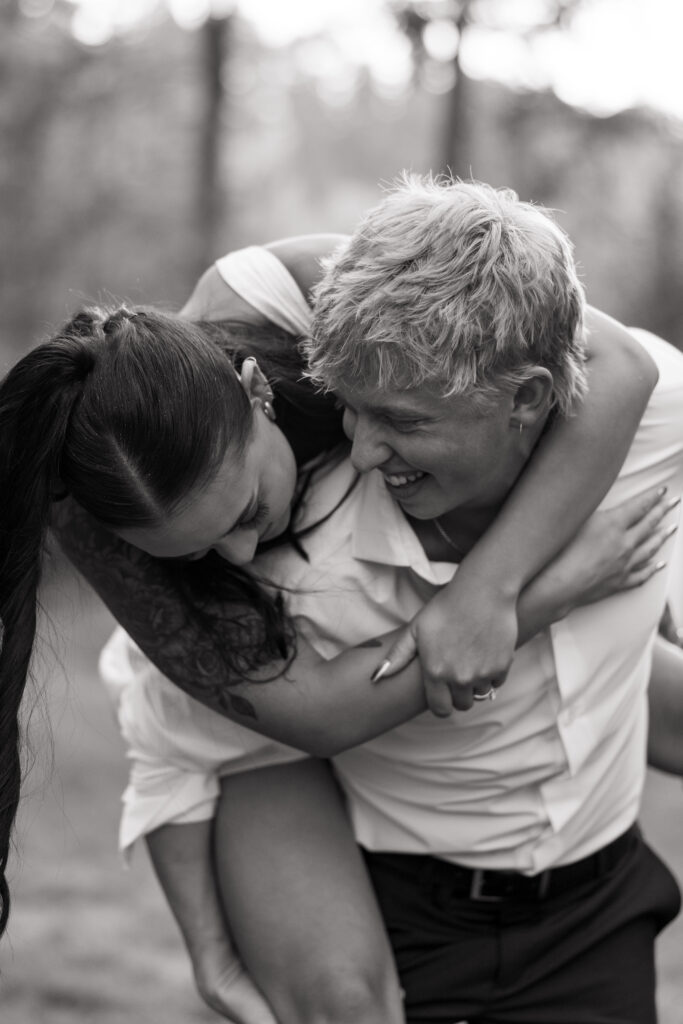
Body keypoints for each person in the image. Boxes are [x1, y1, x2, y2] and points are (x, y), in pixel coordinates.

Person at [0, 180, 677, 1022]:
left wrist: (491, 590)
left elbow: (621, 366)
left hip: (588, 898)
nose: (239, 557)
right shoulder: (141, 519)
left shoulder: (287, 296)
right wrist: (550, 591)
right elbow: (254, 718)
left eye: (244, 513)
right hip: (377, 861)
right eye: (200, 551)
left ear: (257, 391)